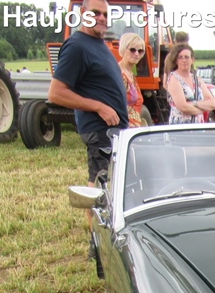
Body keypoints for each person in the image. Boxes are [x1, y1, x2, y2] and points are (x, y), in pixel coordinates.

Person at [48, 0, 128, 188]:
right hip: (100, 129)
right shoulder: (76, 46)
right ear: (83, 12)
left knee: (115, 185)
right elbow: (56, 93)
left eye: (106, 14)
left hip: (113, 128)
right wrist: (99, 107)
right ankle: (92, 209)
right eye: (95, 13)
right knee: (102, 185)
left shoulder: (99, 44)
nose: (102, 18)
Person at [164, 44, 215, 124]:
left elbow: (212, 103)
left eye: (187, 57)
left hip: (198, 127)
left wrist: (194, 104)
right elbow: (183, 107)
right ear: (176, 61)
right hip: (181, 127)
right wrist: (202, 109)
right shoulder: (173, 78)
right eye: (180, 57)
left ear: (192, 60)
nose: (184, 60)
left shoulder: (197, 80)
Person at [118, 33, 145, 127]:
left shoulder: (131, 74)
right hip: (123, 126)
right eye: (132, 50)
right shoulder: (118, 73)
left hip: (134, 127)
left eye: (140, 51)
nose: (136, 54)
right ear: (123, 49)